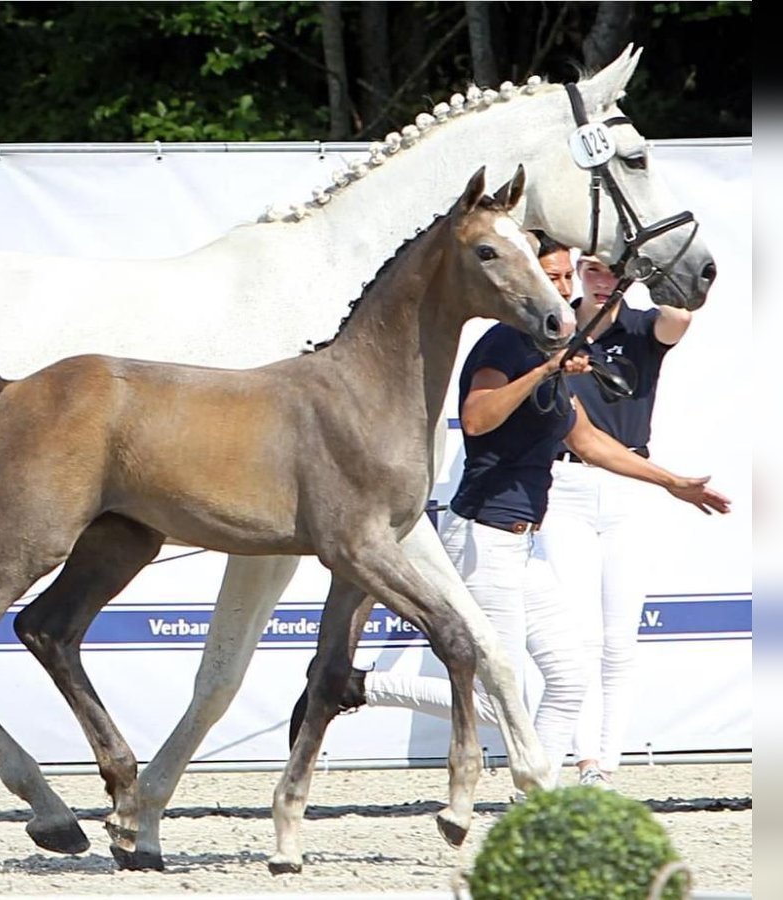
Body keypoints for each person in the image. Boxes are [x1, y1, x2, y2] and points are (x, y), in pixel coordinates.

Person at [289, 235, 730, 790]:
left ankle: (535, 803)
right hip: (482, 534)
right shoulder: (505, 344)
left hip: (524, 542)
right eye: (556, 278)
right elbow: (477, 418)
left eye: (569, 277)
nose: (564, 288)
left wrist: (672, 483)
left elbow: (591, 443)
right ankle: (356, 686)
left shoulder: (553, 356)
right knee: (499, 698)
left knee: (570, 678)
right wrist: (546, 373)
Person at [537, 254, 694, 791]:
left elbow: (683, 317)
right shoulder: (554, 324)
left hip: (631, 480)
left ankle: (609, 758)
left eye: (615, 272)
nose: (605, 281)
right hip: (566, 483)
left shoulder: (641, 325)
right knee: (576, 632)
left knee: (619, 636)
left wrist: (647, 269)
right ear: (579, 271)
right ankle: (585, 762)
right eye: (596, 270)